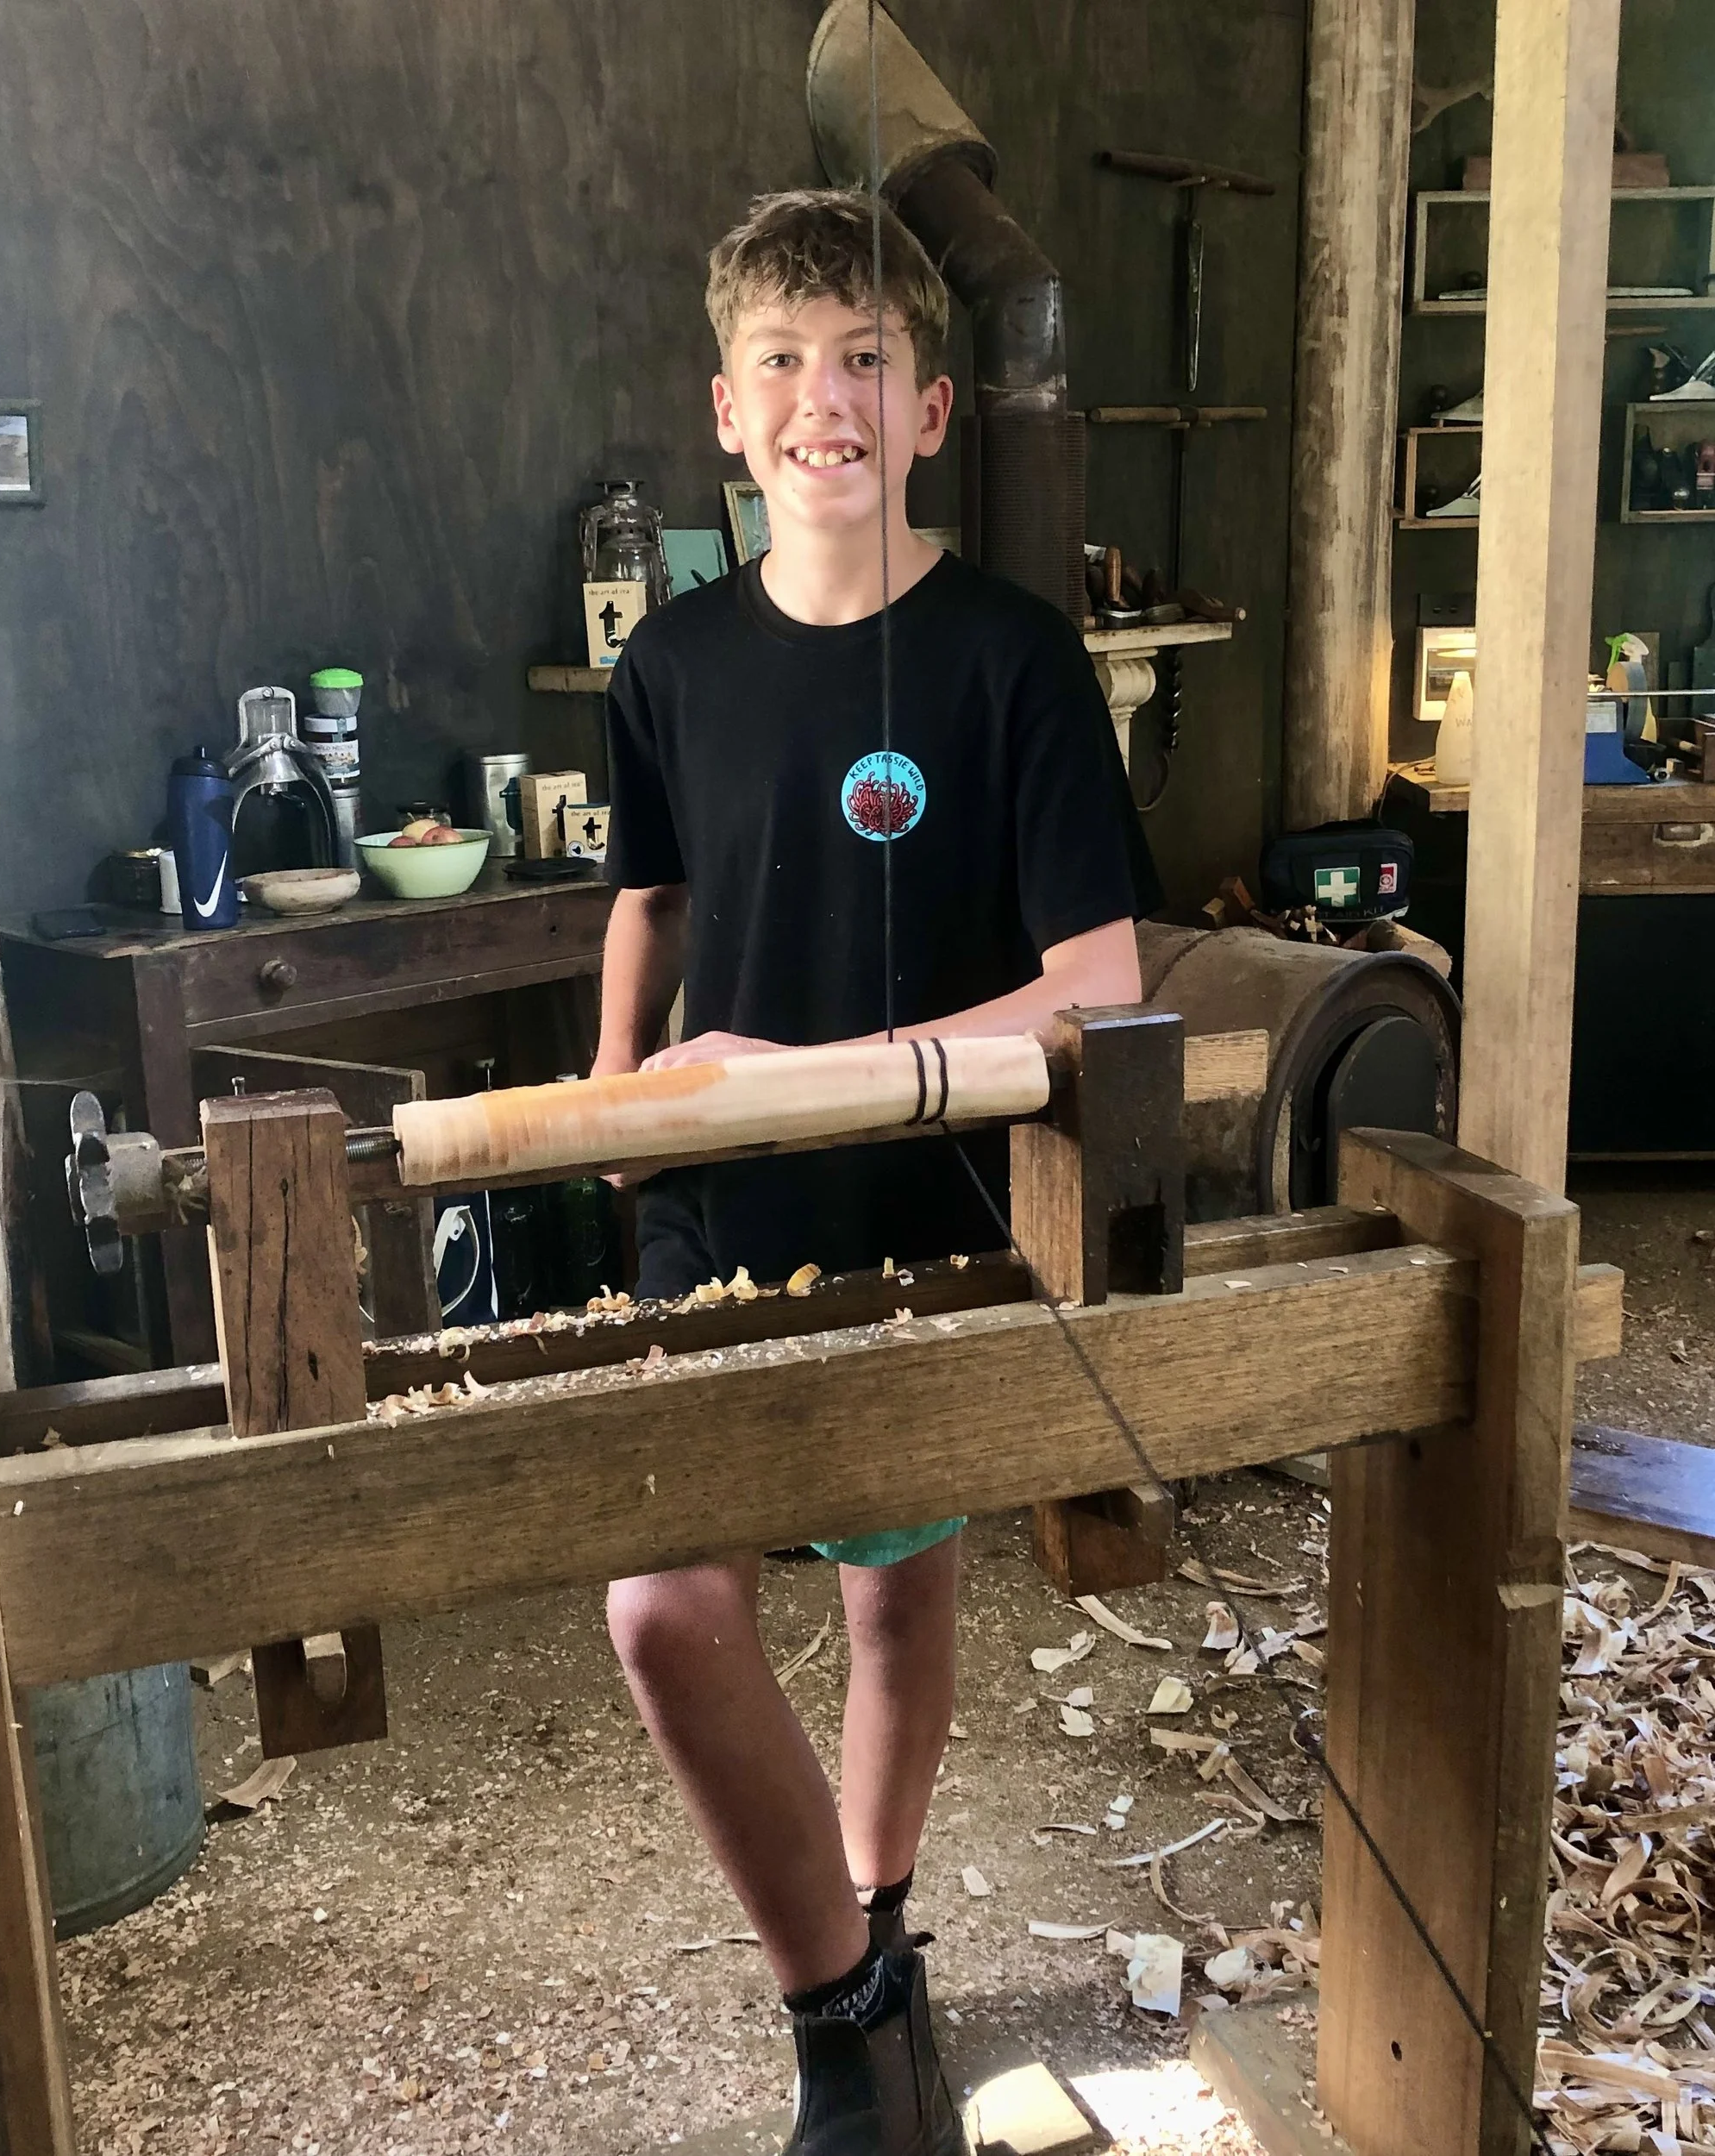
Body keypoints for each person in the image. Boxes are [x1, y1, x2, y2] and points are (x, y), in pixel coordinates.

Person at [595, 187, 1159, 2155]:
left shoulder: (1014, 661)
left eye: (862, 361)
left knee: (891, 1609)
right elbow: (650, 900)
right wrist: (610, 1086)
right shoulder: (665, 663)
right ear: (725, 416)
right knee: (665, 1606)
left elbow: (1098, 984)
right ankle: (844, 2008)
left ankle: (884, 1914)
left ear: (928, 411)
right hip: (708, 1213)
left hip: (932, 1212)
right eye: (781, 362)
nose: (820, 395)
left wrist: (811, 1072)